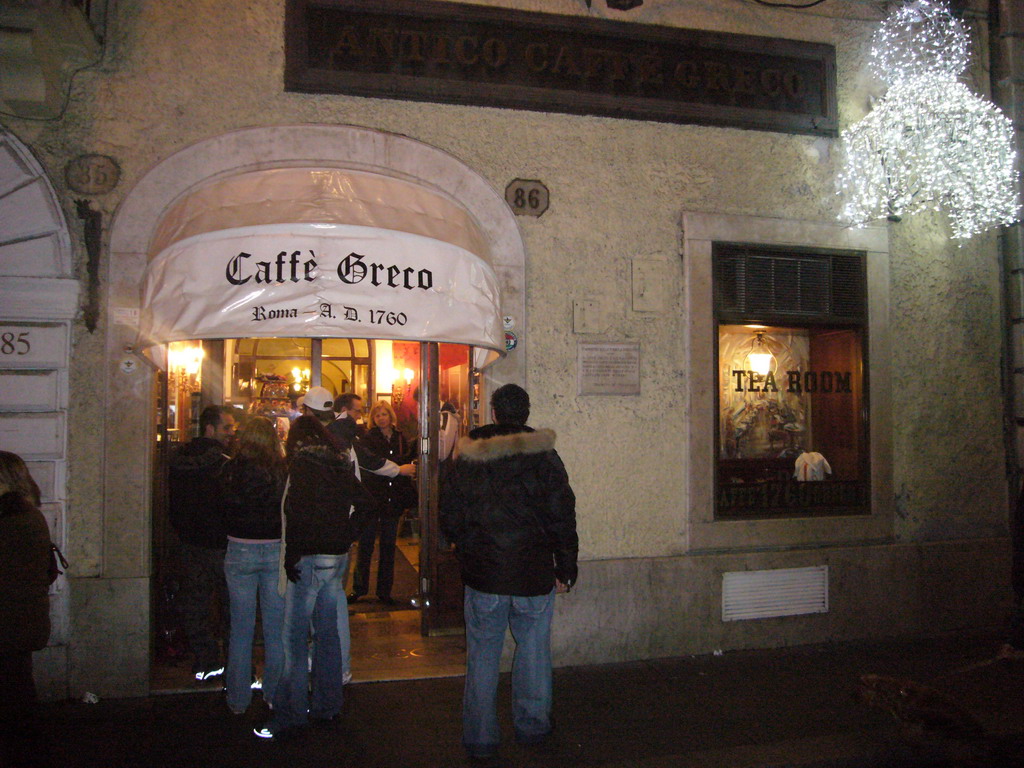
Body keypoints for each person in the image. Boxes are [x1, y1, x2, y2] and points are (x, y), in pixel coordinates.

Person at [440, 384, 578, 763]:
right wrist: (566, 566)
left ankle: (480, 737)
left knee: (483, 654)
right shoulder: (544, 456)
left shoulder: (469, 456)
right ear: (526, 412)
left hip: (484, 572)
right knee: (533, 650)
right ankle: (532, 725)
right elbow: (562, 514)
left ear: (495, 412)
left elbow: (450, 510)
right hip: (533, 571)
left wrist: (461, 545)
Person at [255, 416, 376, 740]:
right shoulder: (339, 464)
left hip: (308, 558)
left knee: (294, 639)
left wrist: (292, 555)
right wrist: (346, 535)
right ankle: (328, 704)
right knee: (327, 635)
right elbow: (366, 504)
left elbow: (297, 512)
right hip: (334, 557)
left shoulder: (300, 467)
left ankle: (292, 712)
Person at [220, 417, 286, 715]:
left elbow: (219, 509)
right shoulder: (281, 470)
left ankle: (237, 698)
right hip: (273, 547)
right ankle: (273, 694)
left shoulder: (229, 469)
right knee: (275, 628)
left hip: (240, 547)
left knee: (241, 627)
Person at [167, 404, 236, 681]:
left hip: (189, 543)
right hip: (220, 544)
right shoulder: (223, 463)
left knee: (195, 604)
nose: (231, 433)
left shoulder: (178, 461)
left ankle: (205, 660)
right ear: (210, 429)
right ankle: (235, 663)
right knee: (231, 606)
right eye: (227, 428)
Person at [0, 451, 57, 768]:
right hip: (23, 619)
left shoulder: (14, 520)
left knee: (15, 694)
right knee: (18, 689)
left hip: (12, 620)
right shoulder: (29, 515)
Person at [351, 400, 417, 605]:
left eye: (384, 414)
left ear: (390, 416)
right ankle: (359, 588)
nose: (381, 418)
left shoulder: (399, 437)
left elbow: (405, 459)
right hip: (373, 497)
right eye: (377, 415)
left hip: (392, 497)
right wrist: (398, 467)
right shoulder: (368, 437)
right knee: (366, 545)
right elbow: (373, 464)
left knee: (389, 546)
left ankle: (384, 591)